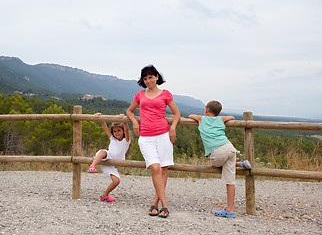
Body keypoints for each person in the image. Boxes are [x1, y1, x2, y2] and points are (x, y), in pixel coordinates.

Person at [126, 64, 180, 218]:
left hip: (163, 135)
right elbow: (129, 111)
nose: (148, 80)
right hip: (146, 137)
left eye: (150, 77)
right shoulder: (140, 94)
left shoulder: (166, 94)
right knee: (155, 168)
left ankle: (156, 204)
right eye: (145, 78)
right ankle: (165, 205)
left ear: (157, 77)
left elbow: (176, 114)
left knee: (163, 169)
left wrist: (173, 128)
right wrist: (135, 122)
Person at [189, 100, 251, 218]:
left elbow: (190, 116)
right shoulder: (221, 119)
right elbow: (231, 117)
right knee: (230, 181)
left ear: (206, 110)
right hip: (230, 148)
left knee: (215, 164)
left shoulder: (201, 119)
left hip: (217, 152)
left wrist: (199, 117)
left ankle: (238, 164)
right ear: (218, 112)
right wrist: (222, 118)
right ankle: (230, 210)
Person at [87, 113, 131, 202]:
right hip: (107, 156)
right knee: (103, 152)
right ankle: (92, 166)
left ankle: (104, 195)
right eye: (114, 131)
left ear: (123, 131)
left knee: (116, 181)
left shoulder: (126, 141)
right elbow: (105, 127)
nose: (116, 133)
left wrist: (124, 121)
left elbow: (126, 129)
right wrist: (100, 117)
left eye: (119, 130)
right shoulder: (112, 139)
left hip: (112, 164)